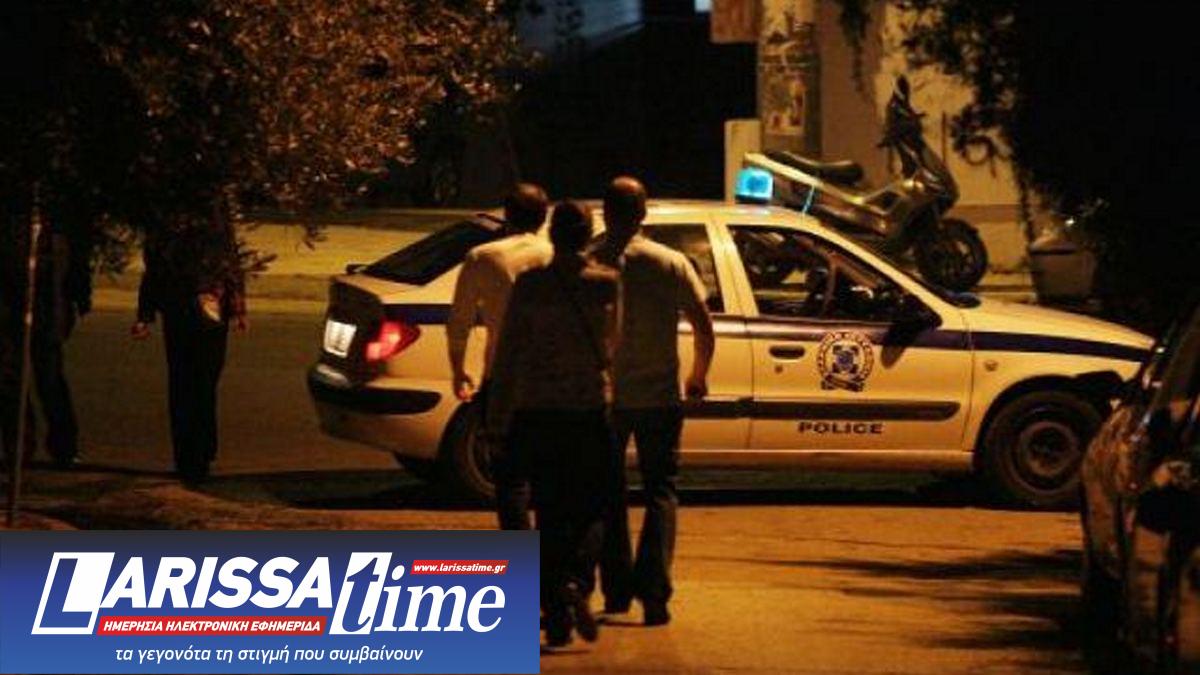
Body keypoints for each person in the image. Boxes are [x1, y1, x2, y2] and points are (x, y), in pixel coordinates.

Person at [487, 201, 620, 647]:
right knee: (591, 506)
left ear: (553, 234)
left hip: (537, 408)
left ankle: (554, 604)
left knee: (546, 509)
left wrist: (497, 417)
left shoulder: (530, 285)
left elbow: (509, 353)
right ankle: (576, 582)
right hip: (587, 409)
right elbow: (614, 346)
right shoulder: (606, 284)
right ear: (588, 235)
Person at [594, 176, 715, 626]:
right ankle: (655, 593)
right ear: (642, 214)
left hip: (606, 395)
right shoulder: (670, 262)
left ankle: (616, 591)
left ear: (605, 212)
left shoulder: (589, 260)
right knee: (661, 490)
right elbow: (702, 324)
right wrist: (697, 375)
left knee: (607, 492)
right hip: (659, 393)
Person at [446, 183, 552, 530]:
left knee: (510, 476)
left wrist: (459, 369)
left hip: (503, 376)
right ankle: (552, 553)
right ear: (543, 217)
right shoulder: (556, 254)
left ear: (507, 216)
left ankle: (520, 547)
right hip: (551, 378)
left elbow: (459, 321)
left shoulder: (483, 257)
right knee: (550, 473)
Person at [132, 222, 246, 483]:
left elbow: (229, 263)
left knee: (195, 382)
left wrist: (238, 309)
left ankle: (196, 452)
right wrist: (144, 314)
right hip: (191, 305)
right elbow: (156, 268)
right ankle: (194, 454)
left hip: (199, 305)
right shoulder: (180, 221)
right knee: (193, 382)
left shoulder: (185, 220)